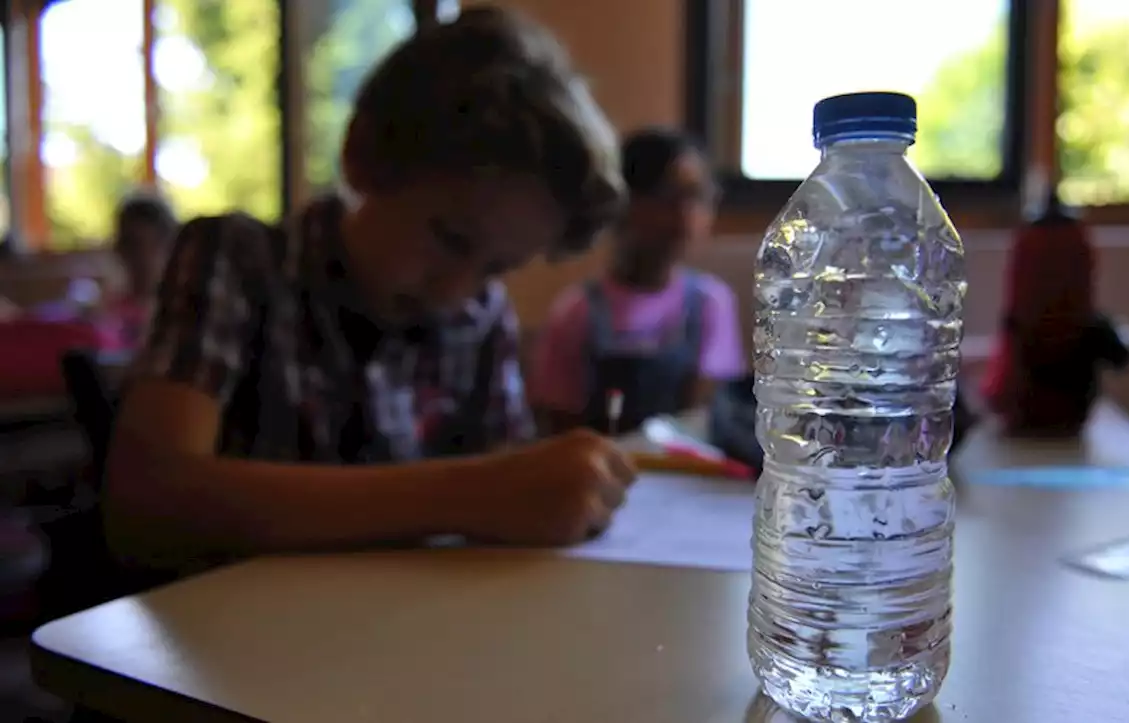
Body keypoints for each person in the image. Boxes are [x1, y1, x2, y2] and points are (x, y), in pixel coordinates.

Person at [104, 6, 635, 573]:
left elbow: (507, 505)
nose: (456, 291)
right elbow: (147, 503)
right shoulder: (237, 261)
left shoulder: (481, 318)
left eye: (495, 268)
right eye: (450, 238)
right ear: (362, 157)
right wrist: (468, 495)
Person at [530, 128, 745, 435]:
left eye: (697, 197)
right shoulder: (577, 311)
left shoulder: (711, 304)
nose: (686, 216)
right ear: (624, 202)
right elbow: (557, 422)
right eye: (668, 197)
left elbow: (705, 414)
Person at [104, 192, 179, 348]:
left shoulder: (181, 311)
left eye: (154, 245)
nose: (143, 257)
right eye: (132, 245)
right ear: (119, 248)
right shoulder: (106, 314)